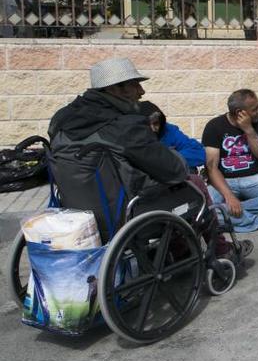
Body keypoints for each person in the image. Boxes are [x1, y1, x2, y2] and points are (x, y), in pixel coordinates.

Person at [48, 58, 189, 239]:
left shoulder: (60, 119)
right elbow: (174, 170)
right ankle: (204, 255)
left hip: (76, 211)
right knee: (195, 188)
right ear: (115, 88)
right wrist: (178, 157)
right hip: (127, 214)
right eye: (135, 84)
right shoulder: (123, 126)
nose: (141, 91)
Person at [202, 89, 258, 232]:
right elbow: (212, 168)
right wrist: (229, 197)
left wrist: (249, 129)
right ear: (240, 112)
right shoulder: (214, 126)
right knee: (203, 208)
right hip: (224, 181)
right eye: (255, 109)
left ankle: (230, 214)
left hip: (251, 178)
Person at [140, 101, 206, 171]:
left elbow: (199, 153)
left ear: (161, 122)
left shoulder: (168, 131)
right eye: (147, 124)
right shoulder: (131, 135)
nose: (153, 129)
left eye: (156, 123)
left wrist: (168, 157)